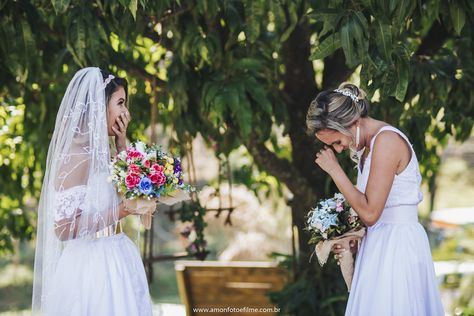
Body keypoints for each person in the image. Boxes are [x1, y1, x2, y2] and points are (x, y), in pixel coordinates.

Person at [306, 83, 444, 315]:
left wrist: (335, 171)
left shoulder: (387, 142)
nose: (338, 150)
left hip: (397, 246)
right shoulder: (367, 148)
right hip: (377, 244)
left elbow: (370, 213)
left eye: (337, 142)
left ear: (352, 123)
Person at [32, 67, 155, 315]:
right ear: (100, 106)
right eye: (120, 103)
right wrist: (121, 211)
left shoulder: (106, 152)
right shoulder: (76, 156)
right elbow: (63, 228)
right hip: (91, 268)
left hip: (119, 255)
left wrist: (122, 143)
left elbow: (134, 194)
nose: (125, 112)